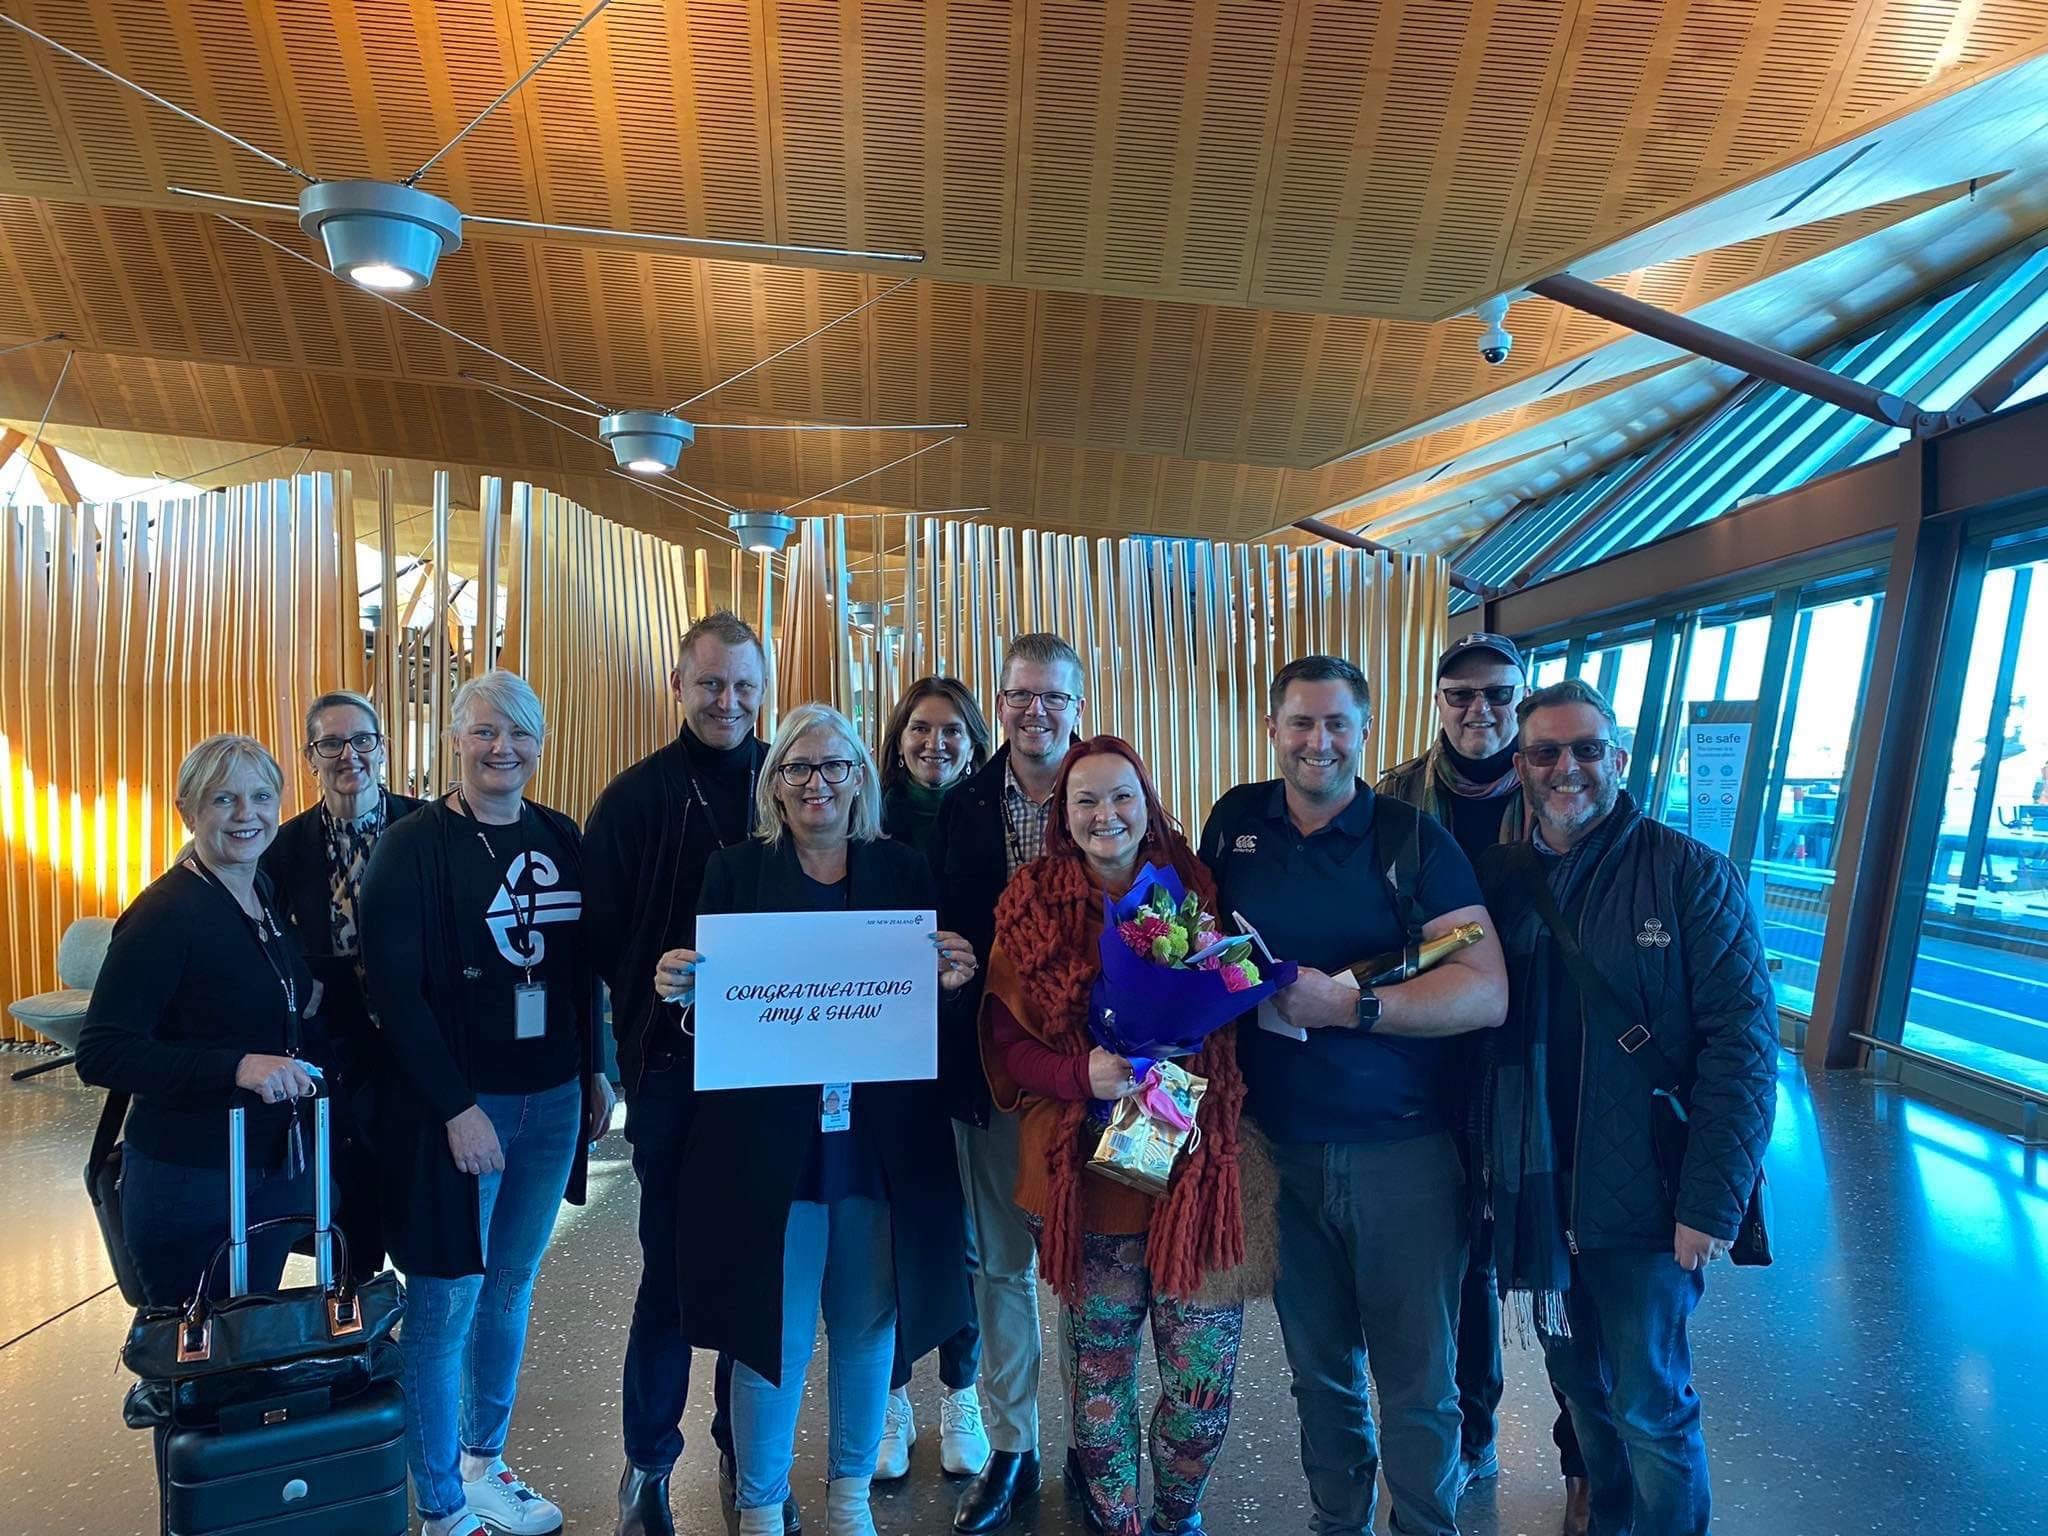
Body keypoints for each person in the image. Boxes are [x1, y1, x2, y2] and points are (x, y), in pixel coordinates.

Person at [1199, 655, 1508, 1536]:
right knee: (1319, 1373)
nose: (1318, 741)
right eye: (1300, 722)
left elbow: (1485, 988)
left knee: (1418, 1380)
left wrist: (1356, 1007)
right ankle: (1338, 1523)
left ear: (1365, 731)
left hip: (1400, 1154)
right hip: (1278, 1151)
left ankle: (1424, 1525)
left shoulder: (1414, 841)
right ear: (1271, 729)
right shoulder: (1235, 824)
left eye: (1337, 723)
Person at [654, 702, 978, 1536]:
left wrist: (951, 980)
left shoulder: (901, 871)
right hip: (770, 1143)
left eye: (835, 766)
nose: (817, 783)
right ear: (775, 785)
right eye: (798, 768)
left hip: (878, 1140)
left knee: (870, 1325)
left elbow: (924, 1015)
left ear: (862, 780)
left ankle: (848, 1501)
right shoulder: (735, 872)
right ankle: (761, 1507)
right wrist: (680, 984)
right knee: (772, 1331)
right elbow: (714, 1013)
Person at [1476, 680, 1776, 1536]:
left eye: (1586, 749)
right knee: (1580, 1393)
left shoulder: (1687, 875)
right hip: (1542, 1190)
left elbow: (1744, 1053)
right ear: (1521, 766)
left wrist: (1710, 1206)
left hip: (1648, 1198)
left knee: (1651, 1402)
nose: (1567, 767)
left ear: (1618, 757)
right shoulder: (1499, 881)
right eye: (1545, 752)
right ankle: (1609, 1519)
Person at [361, 670, 614, 1536]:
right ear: (454, 743)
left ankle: (483, 1462)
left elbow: (583, 972)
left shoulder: (561, 836)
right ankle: (437, 1503)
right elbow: (394, 996)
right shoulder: (413, 846)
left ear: (540, 744)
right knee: (444, 1302)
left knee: (510, 1286)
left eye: (519, 734)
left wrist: (596, 1067)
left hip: (551, 1100)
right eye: (484, 733)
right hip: (461, 1113)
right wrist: (454, 1108)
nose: (502, 749)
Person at [984, 735, 1250, 1536]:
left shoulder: (1196, 890)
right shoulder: (1027, 905)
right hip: (1085, 1180)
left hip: (1195, 1176)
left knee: (1201, 1388)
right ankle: (1120, 1524)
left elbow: (1236, 990)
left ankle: (1178, 1517)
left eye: (1122, 796)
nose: (1108, 815)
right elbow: (1006, 1043)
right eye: (1086, 801)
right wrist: (1083, 1076)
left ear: (1146, 799)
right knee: (1100, 1381)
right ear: (1062, 818)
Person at [581, 612, 789, 1536]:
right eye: (711, 684)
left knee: (756, 1273)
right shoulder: (630, 801)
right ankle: (648, 1468)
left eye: (745, 685)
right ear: (678, 685)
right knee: (667, 1275)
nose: (729, 702)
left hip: (773, 1077)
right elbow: (601, 949)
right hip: (671, 1070)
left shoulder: (792, 783)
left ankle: (745, 1459)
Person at [1378, 634, 1591, 1532]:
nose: (1480, 712)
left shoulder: (1557, 794)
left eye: (1498, 696)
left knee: (1557, 1261)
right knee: (1453, 1263)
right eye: (1460, 695)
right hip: (1425, 1057)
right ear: (1436, 701)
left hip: (1535, 1064)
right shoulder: (1392, 798)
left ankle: (1585, 1452)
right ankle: (1472, 1426)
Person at [79, 734, 328, 1306]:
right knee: (194, 1362)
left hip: (259, 1167)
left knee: (245, 1343)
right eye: (223, 800)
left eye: (262, 797)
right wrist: (237, 1066)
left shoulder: (257, 889)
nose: (248, 815)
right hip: (189, 1177)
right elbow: (102, 1052)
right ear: (187, 811)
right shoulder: (165, 914)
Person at [934, 632, 1088, 1534]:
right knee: (1001, 1265)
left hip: (1093, 1081)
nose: (1036, 713)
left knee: (1096, 1267)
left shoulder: (1113, 795)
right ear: (1000, 704)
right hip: (994, 1076)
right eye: (1020, 696)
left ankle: (1095, 1437)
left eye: (1053, 698)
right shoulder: (958, 810)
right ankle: (1014, 1444)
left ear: (1078, 704)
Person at [873, 676, 995, 1482]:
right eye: (920, 729)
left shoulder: (990, 819)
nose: (935, 744)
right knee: (878, 1232)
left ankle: (963, 1392)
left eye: (953, 731)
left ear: (975, 740)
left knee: (965, 1236)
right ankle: (887, 1399)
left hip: (968, 1049)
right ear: (896, 738)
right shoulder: (863, 813)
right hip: (876, 1052)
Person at [261, 690, 424, 1282]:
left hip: (419, 1034)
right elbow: (268, 936)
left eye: (362, 740)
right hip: (336, 1042)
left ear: (382, 748)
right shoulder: (281, 847)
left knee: (419, 1184)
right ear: (310, 757)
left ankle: (422, 1325)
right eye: (331, 743)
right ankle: (352, 1326)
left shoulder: (427, 827)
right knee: (350, 1194)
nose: (348, 754)